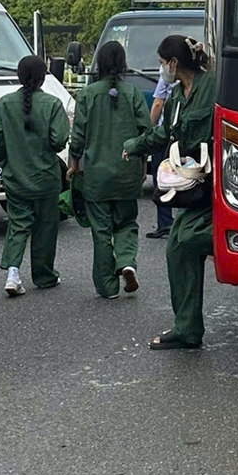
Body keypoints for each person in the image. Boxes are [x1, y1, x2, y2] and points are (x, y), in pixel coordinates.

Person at [123, 36, 216, 349]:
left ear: (174, 63)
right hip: (194, 185)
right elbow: (165, 133)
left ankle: (189, 328)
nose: (161, 69)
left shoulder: (213, 86)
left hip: (220, 184)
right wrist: (134, 147)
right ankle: (187, 328)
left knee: (187, 240)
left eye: (163, 63)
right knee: (177, 246)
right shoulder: (177, 96)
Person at [69, 42, 152, 298]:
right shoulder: (134, 93)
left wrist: (73, 164)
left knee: (101, 231)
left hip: (97, 176)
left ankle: (107, 287)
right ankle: (126, 261)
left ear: (99, 64)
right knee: (126, 222)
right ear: (123, 64)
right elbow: (146, 134)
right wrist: (143, 164)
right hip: (127, 172)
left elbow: (78, 135)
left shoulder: (87, 94)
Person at [0, 55, 68, 296]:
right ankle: (44, 275)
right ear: (43, 76)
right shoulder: (53, 104)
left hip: (16, 175)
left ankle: (13, 272)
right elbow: (58, 141)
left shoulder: (4, 103)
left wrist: (5, 163)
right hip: (46, 176)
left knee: (18, 223)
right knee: (46, 227)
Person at [146, 75, 174, 239]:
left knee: (162, 178)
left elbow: (158, 103)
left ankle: (165, 222)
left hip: (164, 136)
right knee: (188, 178)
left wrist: (150, 130)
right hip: (186, 136)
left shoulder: (167, 76)